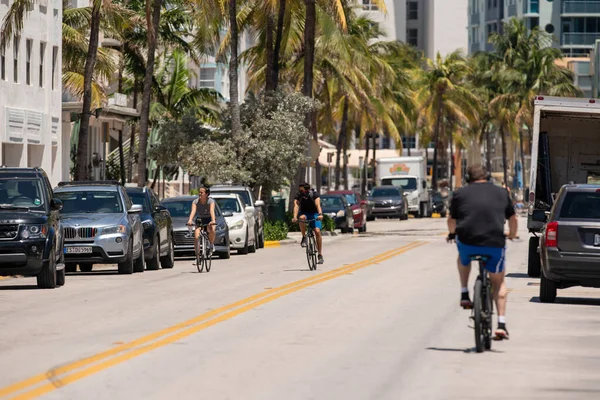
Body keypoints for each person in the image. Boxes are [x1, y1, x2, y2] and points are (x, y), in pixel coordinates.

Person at [446, 164, 518, 340]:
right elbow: (513, 218)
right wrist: (512, 235)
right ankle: (501, 324)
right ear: (487, 177)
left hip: (467, 241)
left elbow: (451, 219)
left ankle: (464, 292)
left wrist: (452, 233)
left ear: (468, 179)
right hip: (494, 242)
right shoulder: (502, 193)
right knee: (498, 283)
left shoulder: (459, 194)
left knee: (463, 258)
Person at [292, 182, 324, 264]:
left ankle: (320, 254)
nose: (300, 192)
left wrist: (320, 214)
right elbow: (296, 206)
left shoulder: (314, 194)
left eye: (302, 190)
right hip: (304, 213)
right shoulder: (299, 196)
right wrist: (295, 217)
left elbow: (318, 205)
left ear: (307, 190)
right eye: (300, 190)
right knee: (301, 218)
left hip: (314, 214)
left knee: (317, 231)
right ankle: (304, 237)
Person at [187, 186, 217, 253]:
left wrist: (213, 220)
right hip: (200, 219)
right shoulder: (195, 202)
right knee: (196, 236)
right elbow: (193, 211)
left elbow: (212, 211)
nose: (199, 194)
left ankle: (211, 244)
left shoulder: (211, 201)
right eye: (199, 192)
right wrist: (190, 220)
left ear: (206, 194)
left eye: (201, 192)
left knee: (212, 229)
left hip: (209, 218)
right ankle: (197, 256)